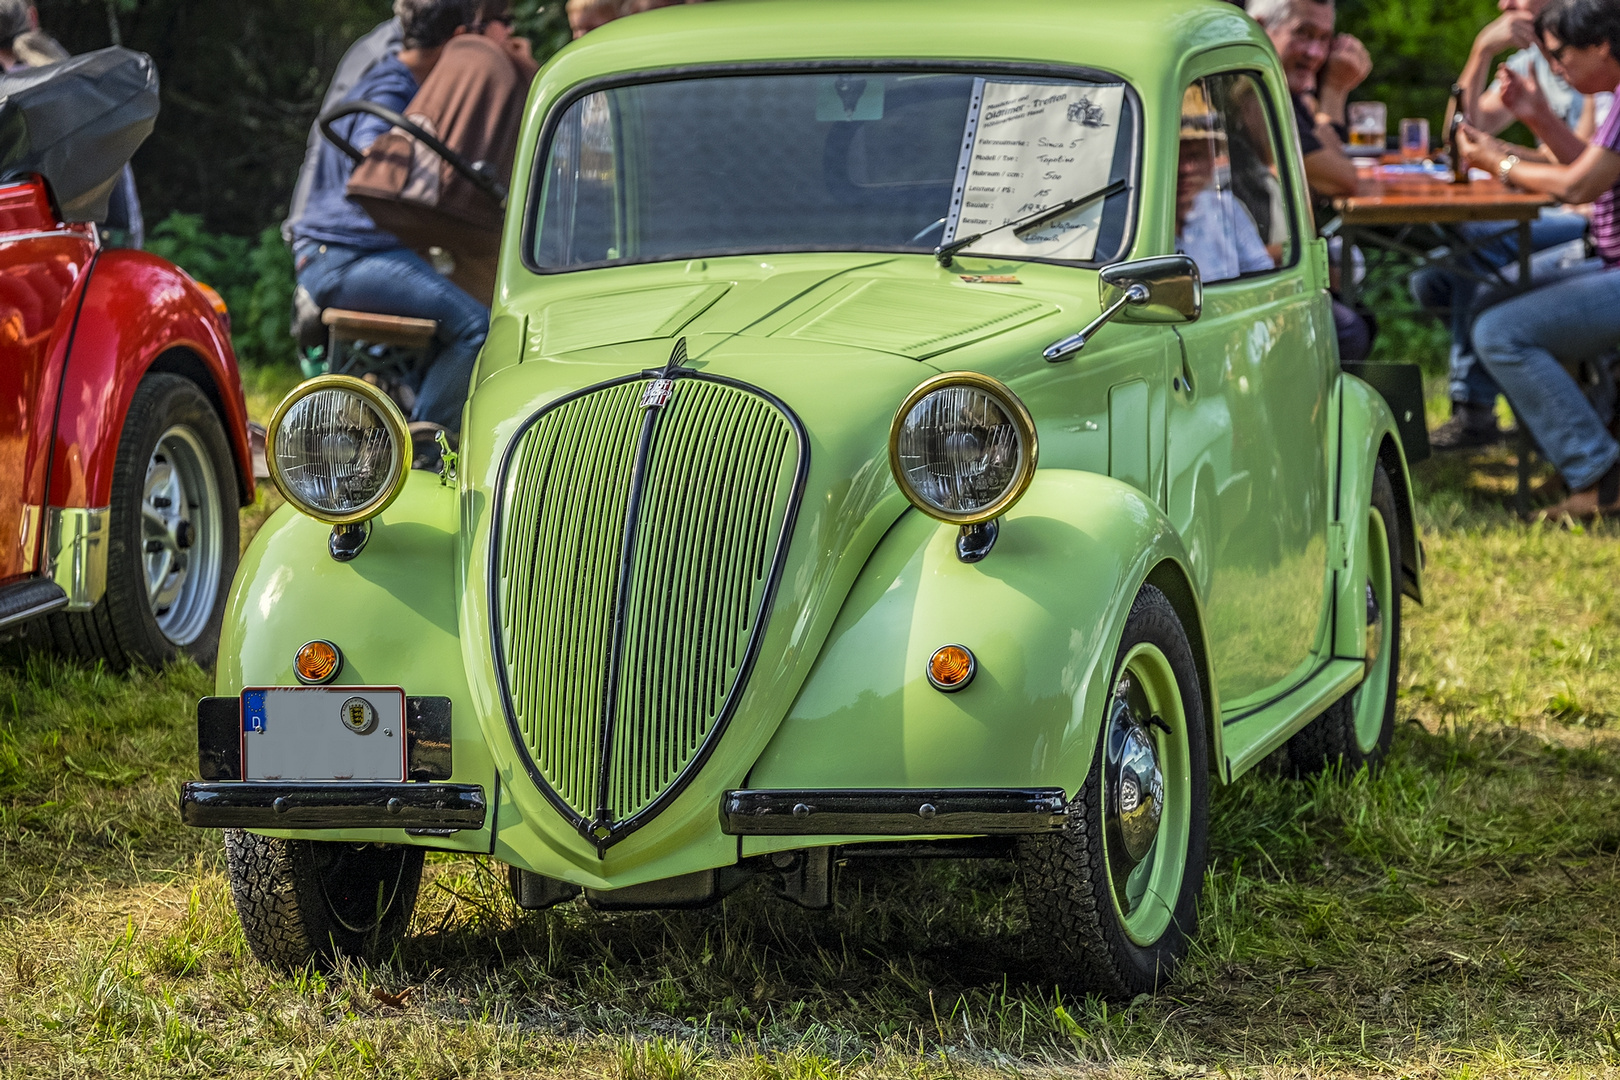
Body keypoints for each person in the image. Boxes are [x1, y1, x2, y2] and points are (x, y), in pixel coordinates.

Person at [290, 0, 488, 439]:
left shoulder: (396, 77)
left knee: (460, 303)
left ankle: (410, 415)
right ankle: (424, 446)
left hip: (352, 252)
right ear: (458, 40)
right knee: (477, 326)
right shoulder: (393, 84)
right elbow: (369, 150)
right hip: (340, 257)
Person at [1415, 0, 1605, 450]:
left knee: (1483, 275)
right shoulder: (1532, 62)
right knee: (1434, 279)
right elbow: (1459, 137)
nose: (1505, 5)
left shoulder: (1599, 65)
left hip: (1586, 222)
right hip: (1571, 214)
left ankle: (1479, 410)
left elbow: (1586, 176)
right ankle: (1528, 415)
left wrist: (1502, 160)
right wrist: (1481, 52)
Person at [1456, 0, 1620, 519]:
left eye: (1560, 55)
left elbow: (1578, 185)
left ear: (1601, 46)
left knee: (1501, 332)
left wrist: (1497, 161)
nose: (1555, 68)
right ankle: (1582, 450)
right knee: (1492, 294)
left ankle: (1598, 476)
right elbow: (1590, 167)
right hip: (1606, 256)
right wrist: (1538, 117)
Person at [1247, 0, 1375, 360]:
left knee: (1356, 309)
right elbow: (1340, 178)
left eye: (1324, 40)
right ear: (1259, 28)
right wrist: (1333, 91)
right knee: (1349, 327)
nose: (1315, 53)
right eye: (1303, 35)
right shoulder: (1251, 94)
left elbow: (1331, 159)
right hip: (1247, 274)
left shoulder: (1285, 93)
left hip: (1273, 259)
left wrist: (1321, 96)